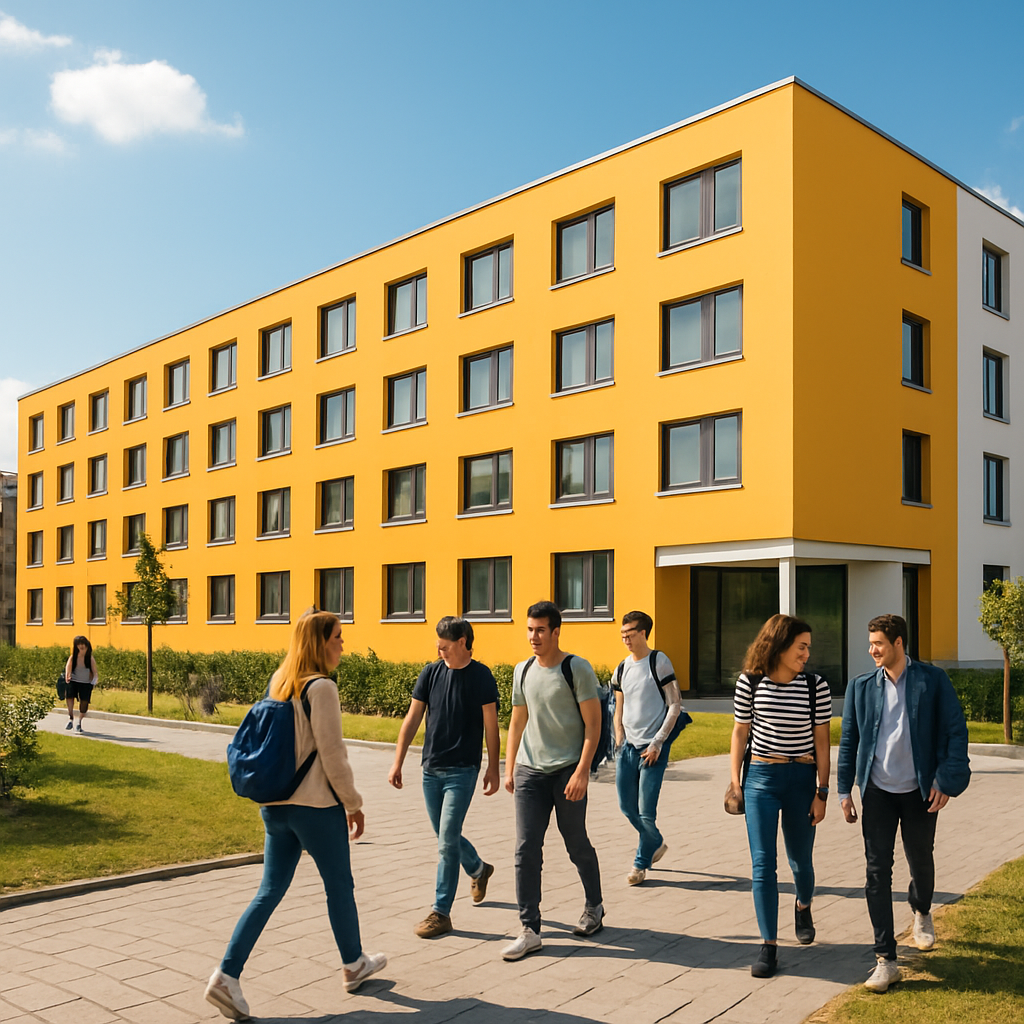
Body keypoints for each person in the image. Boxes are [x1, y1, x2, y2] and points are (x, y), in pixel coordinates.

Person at [204, 610, 386, 1021]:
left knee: (269, 891)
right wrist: (354, 804)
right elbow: (332, 755)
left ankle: (226, 976)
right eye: (337, 637)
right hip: (316, 809)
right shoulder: (321, 688)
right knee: (339, 887)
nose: (343, 643)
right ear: (320, 642)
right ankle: (354, 965)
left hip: (277, 807)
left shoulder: (281, 680)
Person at [838, 614, 970, 994]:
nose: (871, 650)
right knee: (877, 871)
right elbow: (849, 741)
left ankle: (922, 910)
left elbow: (954, 731)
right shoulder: (862, 686)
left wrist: (945, 779)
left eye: (878, 643)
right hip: (877, 791)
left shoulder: (932, 681)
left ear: (898, 643)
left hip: (919, 791)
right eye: (871, 642)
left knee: (920, 859)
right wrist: (845, 790)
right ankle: (886, 959)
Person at [728, 614, 832, 979]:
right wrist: (736, 783)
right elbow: (740, 733)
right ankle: (769, 946)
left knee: (800, 861)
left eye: (808, 647)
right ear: (780, 645)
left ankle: (803, 904)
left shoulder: (814, 685)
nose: (806, 653)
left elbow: (822, 740)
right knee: (762, 864)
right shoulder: (750, 682)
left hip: (803, 779)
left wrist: (822, 791)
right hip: (761, 778)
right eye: (801, 646)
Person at [502, 600, 604, 961]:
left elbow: (594, 725)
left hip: (567, 770)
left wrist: (582, 772)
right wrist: (509, 764)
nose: (533, 636)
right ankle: (529, 928)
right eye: (530, 629)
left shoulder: (576, 668)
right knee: (526, 848)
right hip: (531, 770)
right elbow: (517, 721)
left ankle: (594, 905)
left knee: (575, 842)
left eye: (540, 630)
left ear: (556, 631)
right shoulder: (523, 670)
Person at [389, 616, 501, 938]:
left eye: (445, 646)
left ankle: (441, 912)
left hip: (463, 771)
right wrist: (397, 762)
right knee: (444, 837)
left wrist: (493, 767)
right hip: (430, 770)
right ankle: (479, 869)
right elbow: (412, 719)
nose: (440, 652)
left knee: (446, 840)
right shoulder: (431, 672)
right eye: (437, 646)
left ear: (463, 642)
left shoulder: (481, 676)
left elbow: (491, 726)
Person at [613, 610, 686, 885]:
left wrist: (657, 742)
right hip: (628, 748)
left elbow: (675, 705)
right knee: (625, 806)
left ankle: (640, 865)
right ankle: (655, 841)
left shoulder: (659, 661)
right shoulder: (622, 667)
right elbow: (618, 705)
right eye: (622, 635)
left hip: (653, 747)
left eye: (629, 634)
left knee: (645, 811)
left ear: (643, 633)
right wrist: (618, 736)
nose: (625, 640)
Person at [64, 636, 97, 733]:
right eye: (79, 644)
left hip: (86, 683)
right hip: (73, 681)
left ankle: (79, 722)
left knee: (84, 702)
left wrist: (93, 681)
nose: (81, 646)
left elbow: (95, 672)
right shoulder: (73, 657)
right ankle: (70, 718)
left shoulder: (89, 658)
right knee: (69, 697)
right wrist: (67, 676)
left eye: (83, 644)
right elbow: (68, 667)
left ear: (87, 646)